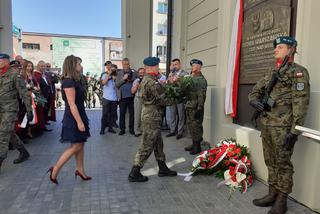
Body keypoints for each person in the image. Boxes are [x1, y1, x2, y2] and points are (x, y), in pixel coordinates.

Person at [248, 36, 310, 214]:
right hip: (267, 124)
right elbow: (254, 92)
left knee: (283, 163)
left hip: (284, 127)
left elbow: (301, 103)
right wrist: (253, 102)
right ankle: (271, 193)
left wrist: (295, 130)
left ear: (291, 50)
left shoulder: (298, 72)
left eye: (280, 47)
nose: (276, 50)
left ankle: (282, 201)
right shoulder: (271, 71)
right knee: (270, 161)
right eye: (276, 47)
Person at [128, 57, 177, 182]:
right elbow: (163, 100)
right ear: (150, 67)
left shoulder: (148, 80)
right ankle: (135, 172)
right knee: (147, 144)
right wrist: (178, 96)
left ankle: (162, 167)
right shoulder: (151, 82)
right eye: (157, 66)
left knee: (158, 143)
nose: (158, 68)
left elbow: (159, 90)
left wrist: (166, 84)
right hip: (152, 116)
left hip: (151, 115)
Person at [47, 55, 91, 184]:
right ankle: (55, 169)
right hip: (73, 117)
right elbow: (72, 104)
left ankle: (80, 170)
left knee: (80, 144)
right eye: (78, 64)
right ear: (72, 65)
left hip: (79, 114)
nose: (81, 66)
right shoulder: (68, 82)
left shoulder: (76, 80)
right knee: (76, 146)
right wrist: (79, 122)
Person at [0, 53, 33, 173]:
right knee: (10, 134)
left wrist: (29, 110)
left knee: (3, 135)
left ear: (6, 61)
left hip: (10, 109)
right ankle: (24, 153)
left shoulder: (15, 75)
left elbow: (24, 93)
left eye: (0, 60)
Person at [184, 59, 208, 155]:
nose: (192, 67)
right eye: (192, 65)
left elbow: (202, 95)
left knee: (196, 126)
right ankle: (194, 143)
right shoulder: (191, 77)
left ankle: (197, 146)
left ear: (199, 67)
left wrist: (200, 108)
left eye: (194, 65)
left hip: (195, 107)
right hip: (189, 105)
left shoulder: (201, 80)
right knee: (191, 125)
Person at [166, 58, 188, 139]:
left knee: (181, 115)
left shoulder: (185, 73)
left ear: (180, 64)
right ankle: (172, 130)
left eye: (176, 64)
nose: (175, 66)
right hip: (172, 97)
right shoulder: (171, 73)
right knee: (172, 114)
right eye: (173, 64)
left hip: (180, 97)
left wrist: (179, 80)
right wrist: (169, 79)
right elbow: (167, 84)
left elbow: (186, 85)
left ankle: (180, 132)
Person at [116, 58, 137, 135]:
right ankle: (122, 129)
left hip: (132, 96)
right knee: (122, 114)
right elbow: (117, 85)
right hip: (122, 97)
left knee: (132, 114)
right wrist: (123, 79)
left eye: (127, 64)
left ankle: (131, 129)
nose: (126, 65)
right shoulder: (119, 73)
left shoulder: (134, 72)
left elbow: (137, 81)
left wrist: (132, 80)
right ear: (122, 64)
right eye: (124, 64)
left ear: (129, 64)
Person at [100, 61, 118, 135]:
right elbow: (104, 83)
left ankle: (110, 128)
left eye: (109, 65)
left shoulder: (116, 75)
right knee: (105, 114)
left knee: (112, 115)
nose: (108, 66)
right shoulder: (104, 74)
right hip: (106, 98)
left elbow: (118, 84)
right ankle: (102, 129)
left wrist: (115, 78)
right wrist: (109, 75)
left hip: (114, 98)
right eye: (107, 65)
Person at [131, 67, 145, 137]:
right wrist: (137, 86)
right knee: (137, 115)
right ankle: (136, 131)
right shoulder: (136, 81)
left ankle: (143, 130)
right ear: (138, 74)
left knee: (144, 116)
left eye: (143, 73)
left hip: (145, 99)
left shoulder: (147, 80)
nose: (141, 74)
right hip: (138, 99)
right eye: (140, 73)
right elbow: (132, 91)